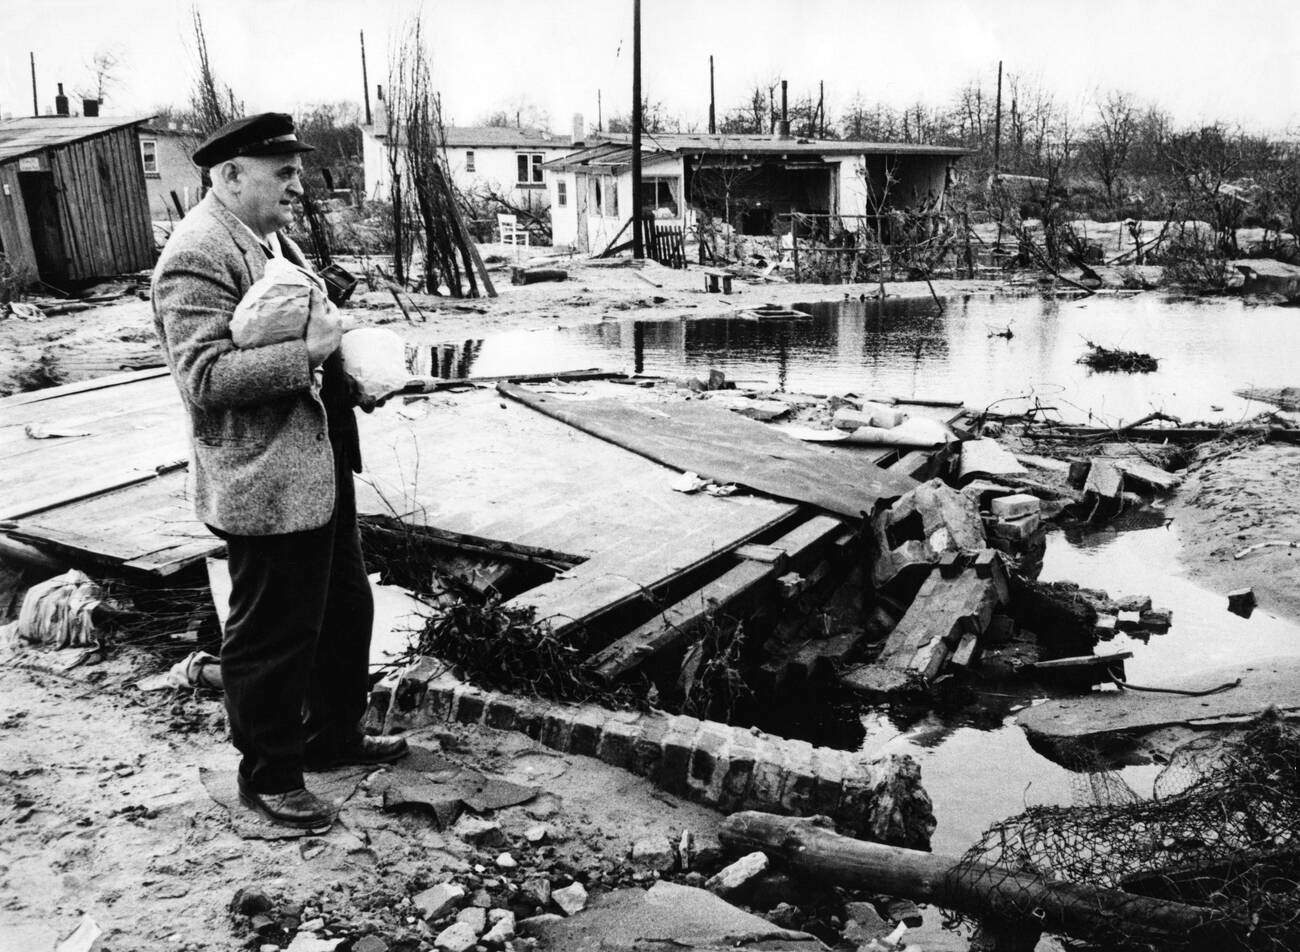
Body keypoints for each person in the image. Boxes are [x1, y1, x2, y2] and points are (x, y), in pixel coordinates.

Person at [152, 113, 407, 833]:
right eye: (282, 173)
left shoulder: (270, 239)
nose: (298, 185)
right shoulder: (196, 253)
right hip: (263, 477)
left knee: (345, 609)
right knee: (272, 633)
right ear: (231, 175)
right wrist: (309, 353)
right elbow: (202, 377)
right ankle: (269, 776)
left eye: (295, 171)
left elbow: (305, 331)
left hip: (316, 462)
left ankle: (332, 737)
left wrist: (351, 371)